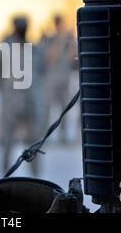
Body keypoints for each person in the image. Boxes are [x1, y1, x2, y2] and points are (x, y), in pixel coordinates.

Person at [0, 16, 38, 175]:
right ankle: (4, 175)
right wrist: (7, 94)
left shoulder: (31, 47)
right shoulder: (5, 47)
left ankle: (36, 177)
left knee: (34, 142)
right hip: (10, 102)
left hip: (28, 102)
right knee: (7, 142)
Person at [39, 15, 77, 145]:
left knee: (64, 109)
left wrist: (72, 43)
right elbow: (50, 56)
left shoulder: (68, 40)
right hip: (51, 80)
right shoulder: (49, 39)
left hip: (64, 79)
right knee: (46, 109)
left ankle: (63, 136)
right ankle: (44, 135)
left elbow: (72, 59)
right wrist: (61, 40)